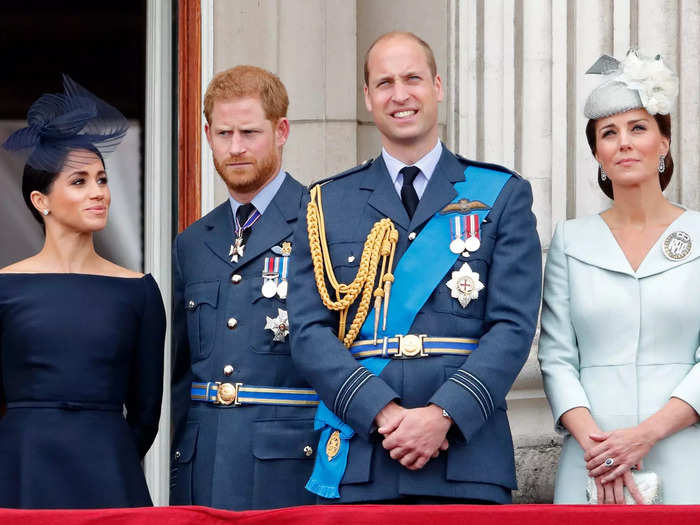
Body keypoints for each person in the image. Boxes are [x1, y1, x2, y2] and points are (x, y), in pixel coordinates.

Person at [288, 31, 541, 504]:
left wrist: (443, 414)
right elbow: (307, 331)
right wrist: (383, 413)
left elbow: (512, 326)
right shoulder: (326, 202)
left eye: (413, 79)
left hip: (466, 457)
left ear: (438, 86)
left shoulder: (501, 194)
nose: (399, 95)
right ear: (367, 97)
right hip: (364, 453)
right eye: (384, 82)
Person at [538, 50, 700, 504]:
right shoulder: (570, 240)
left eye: (638, 127)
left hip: (685, 452)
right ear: (597, 153)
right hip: (592, 462)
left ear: (663, 143)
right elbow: (556, 358)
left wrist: (644, 436)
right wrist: (600, 448)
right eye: (609, 133)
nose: (624, 142)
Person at [0, 75, 166, 509]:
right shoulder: (4, 288)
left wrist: (108, 454)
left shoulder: (140, 292)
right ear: (42, 201)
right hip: (21, 468)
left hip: (109, 471)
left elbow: (146, 412)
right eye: (79, 182)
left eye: (102, 179)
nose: (99, 193)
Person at [170, 65, 319, 510]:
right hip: (204, 466)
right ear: (207, 134)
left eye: (249, 132)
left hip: (289, 467)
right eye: (223, 133)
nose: (235, 148)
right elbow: (182, 377)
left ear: (281, 131)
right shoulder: (193, 241)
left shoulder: (322, 221)